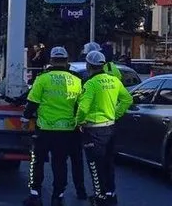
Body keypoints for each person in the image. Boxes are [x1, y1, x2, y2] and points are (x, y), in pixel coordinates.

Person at [22, 47, 83, 206]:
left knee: (37, 162)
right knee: (60, 164)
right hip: (66, 131)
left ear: (51, 61)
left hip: (44, 130)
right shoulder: (76, 80)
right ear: (66, 61)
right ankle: (58, 197)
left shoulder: (43, 78)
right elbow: (80, 106)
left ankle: (35, 196)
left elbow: (33, 103)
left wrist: (25, 118)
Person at [76, 51, 133, 206]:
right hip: (110, 128)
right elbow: (128, 99)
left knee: (95, 165)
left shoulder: (91, 84)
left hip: (94, 130)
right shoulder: (114, 81)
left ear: (89, 65)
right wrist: (115, 114)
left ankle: (99, 198)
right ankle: (110, 194)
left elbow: (82, 108)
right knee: (108, 163)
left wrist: (79, 122)